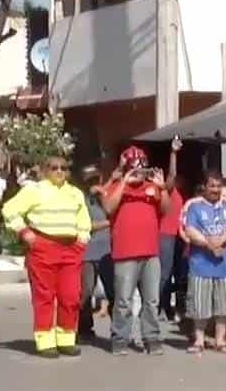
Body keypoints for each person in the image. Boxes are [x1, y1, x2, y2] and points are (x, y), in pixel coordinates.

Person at [2, 154, 91, 357]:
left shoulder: (75, 193)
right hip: (44, 246)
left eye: (63, 167)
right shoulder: (34, 190)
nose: (59, 171)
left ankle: (66, 339)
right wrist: (25, 233)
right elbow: (9, 210)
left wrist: (82, 239)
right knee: (44, 296)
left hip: (70, 249)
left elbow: (83, 218)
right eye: (54, 167)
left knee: (71, 295)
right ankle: (45, 341)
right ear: (44, 170)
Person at [103, 146, 171, 356]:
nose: (139, 172)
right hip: (125, 253)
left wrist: (163, 188)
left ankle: (151, 338)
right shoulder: (116, 185)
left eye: (142, 167)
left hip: (151, 252)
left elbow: (166, 210)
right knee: (123, 300)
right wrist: (124, 182)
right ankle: (120, 339)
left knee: (152, 300)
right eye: (135, 168)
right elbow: (108, 208)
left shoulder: (153, 187)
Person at [181, 172, 226, 354]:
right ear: (204, 187)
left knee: (223, 306)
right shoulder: (195, 207)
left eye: (218, 186)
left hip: (224, 265)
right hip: (200, 264)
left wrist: (220, 239)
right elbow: (190, 230)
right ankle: (199, 340)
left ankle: (220, 340)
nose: (215, 190)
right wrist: (208, 243)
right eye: (212, 186)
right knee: (199, 305)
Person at [77, 166, 115, 342]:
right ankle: (84, 328)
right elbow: (87, 225)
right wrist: (108, 222)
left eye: (96, 179)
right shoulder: (81, 200)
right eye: (89, 180)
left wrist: (103, 194)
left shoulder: (104, 196)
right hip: (88, 252)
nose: (94, 184)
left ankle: (118, 329)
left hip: (107, 251)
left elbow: (113, 210)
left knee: (113, 290)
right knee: (85, 292)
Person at [158, 139, 186, 324]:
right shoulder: (165, 190)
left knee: (178, 273)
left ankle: (170, 307)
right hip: (165, 235)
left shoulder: (178, 194)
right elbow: (172, 174)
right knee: (164, 274)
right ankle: (159, 306)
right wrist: (173, 153)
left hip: (178, 235)